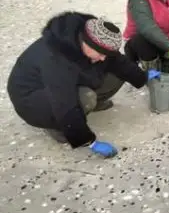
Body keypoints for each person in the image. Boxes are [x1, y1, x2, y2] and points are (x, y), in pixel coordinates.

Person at [6, 12, 159, 158]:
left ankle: (90, 105)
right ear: (85, 43)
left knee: (116, 72)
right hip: (31, 100)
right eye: (100, 53)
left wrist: (143, 77)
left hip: (61, 85)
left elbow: (118, 61)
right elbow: (64, 103)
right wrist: (89, 142)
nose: (103, 57)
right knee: (85, 98)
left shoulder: (94, 39)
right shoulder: (57, 58)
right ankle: (57, 127)